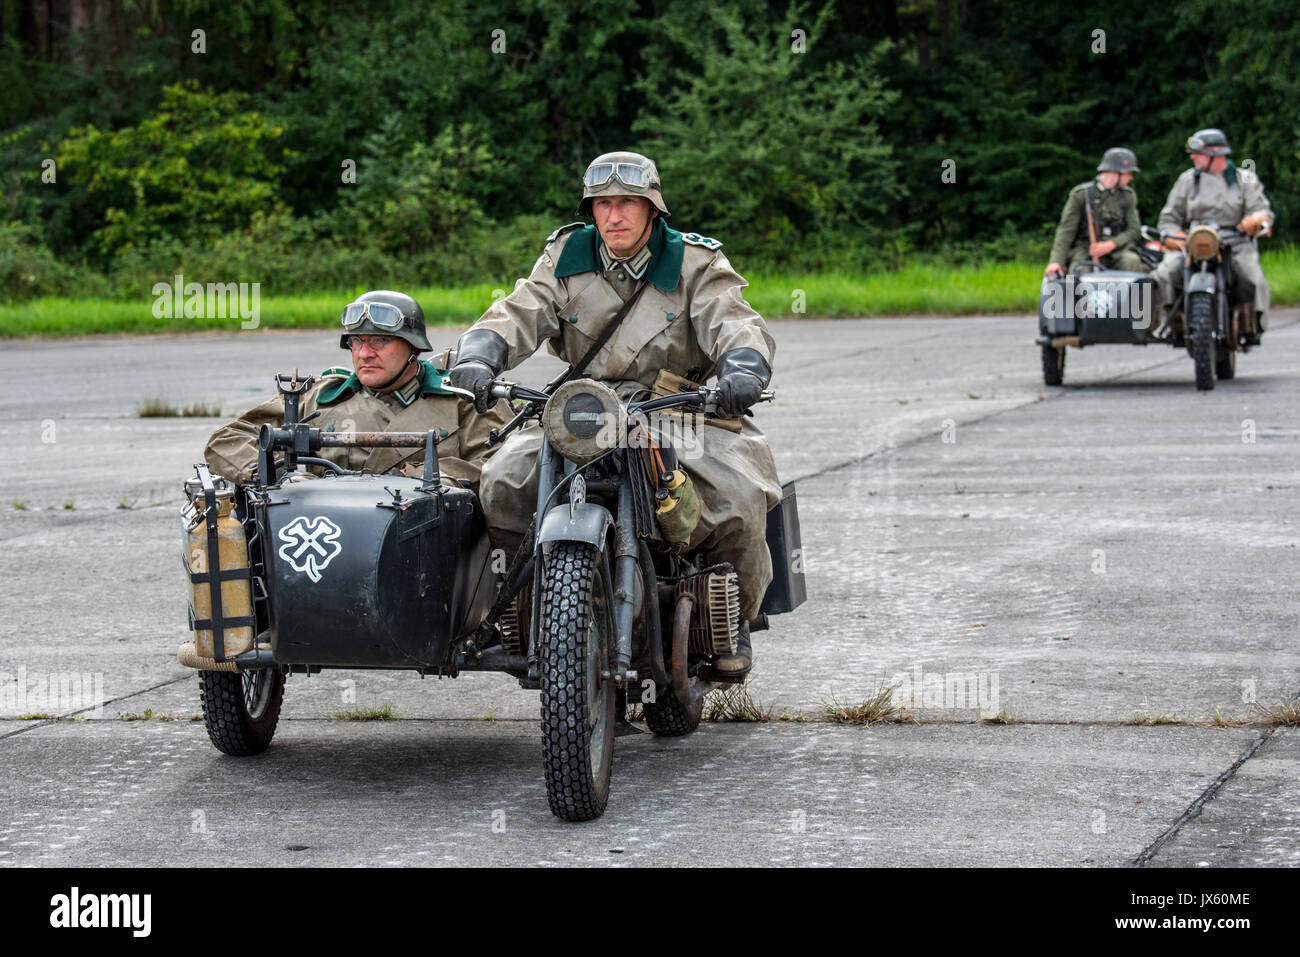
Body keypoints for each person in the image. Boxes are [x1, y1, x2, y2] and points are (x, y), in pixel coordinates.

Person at [447, 151, 780, 677]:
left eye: (627, 203)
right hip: (583, 408)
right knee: (503, 481)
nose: (614, 216)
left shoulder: (694, 262)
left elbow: (735, 321)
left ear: (653, 209)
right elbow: (517, 311)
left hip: (676, 407)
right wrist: (481, 355)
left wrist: (742, 369)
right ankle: (529, 606)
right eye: (603, 204)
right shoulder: (566, 256)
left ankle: (732, 615)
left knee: (738, 494)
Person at [205, 290, 508, 489]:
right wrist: (274, 474)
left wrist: (413, 479)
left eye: (380, 341)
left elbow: (500, 468)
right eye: (357, 341)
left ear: (413, 348)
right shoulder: (321, 397)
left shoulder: (462, 400)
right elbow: (227, 440)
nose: (365, 353)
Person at [1152, 128, 1273, 340]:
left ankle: (1253, 322)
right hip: (1194, 241)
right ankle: (1169, 321)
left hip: (1234, 240)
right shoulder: (1187, 180)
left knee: (1251, 277)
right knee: (1165, 273)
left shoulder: (1243, 178)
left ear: (1216, 154)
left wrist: (1253, 221)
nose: (1193, 157)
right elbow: (1169, 218)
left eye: (1198, 153)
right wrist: (1177, 237)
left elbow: (1260, 210)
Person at [1045, 147, 1143, 278]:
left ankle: (1134, 299)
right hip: (1086, 249)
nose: (1131, 178)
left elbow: (1134, 230)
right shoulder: (1081, 195)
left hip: (1117, 250)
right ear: (1116, 173)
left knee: (1131, 261)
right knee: (1081, 268)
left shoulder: (1127, 196)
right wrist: (1056, 261)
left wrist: (1112, 244)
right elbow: (1066, 231)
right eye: (1128, 173)